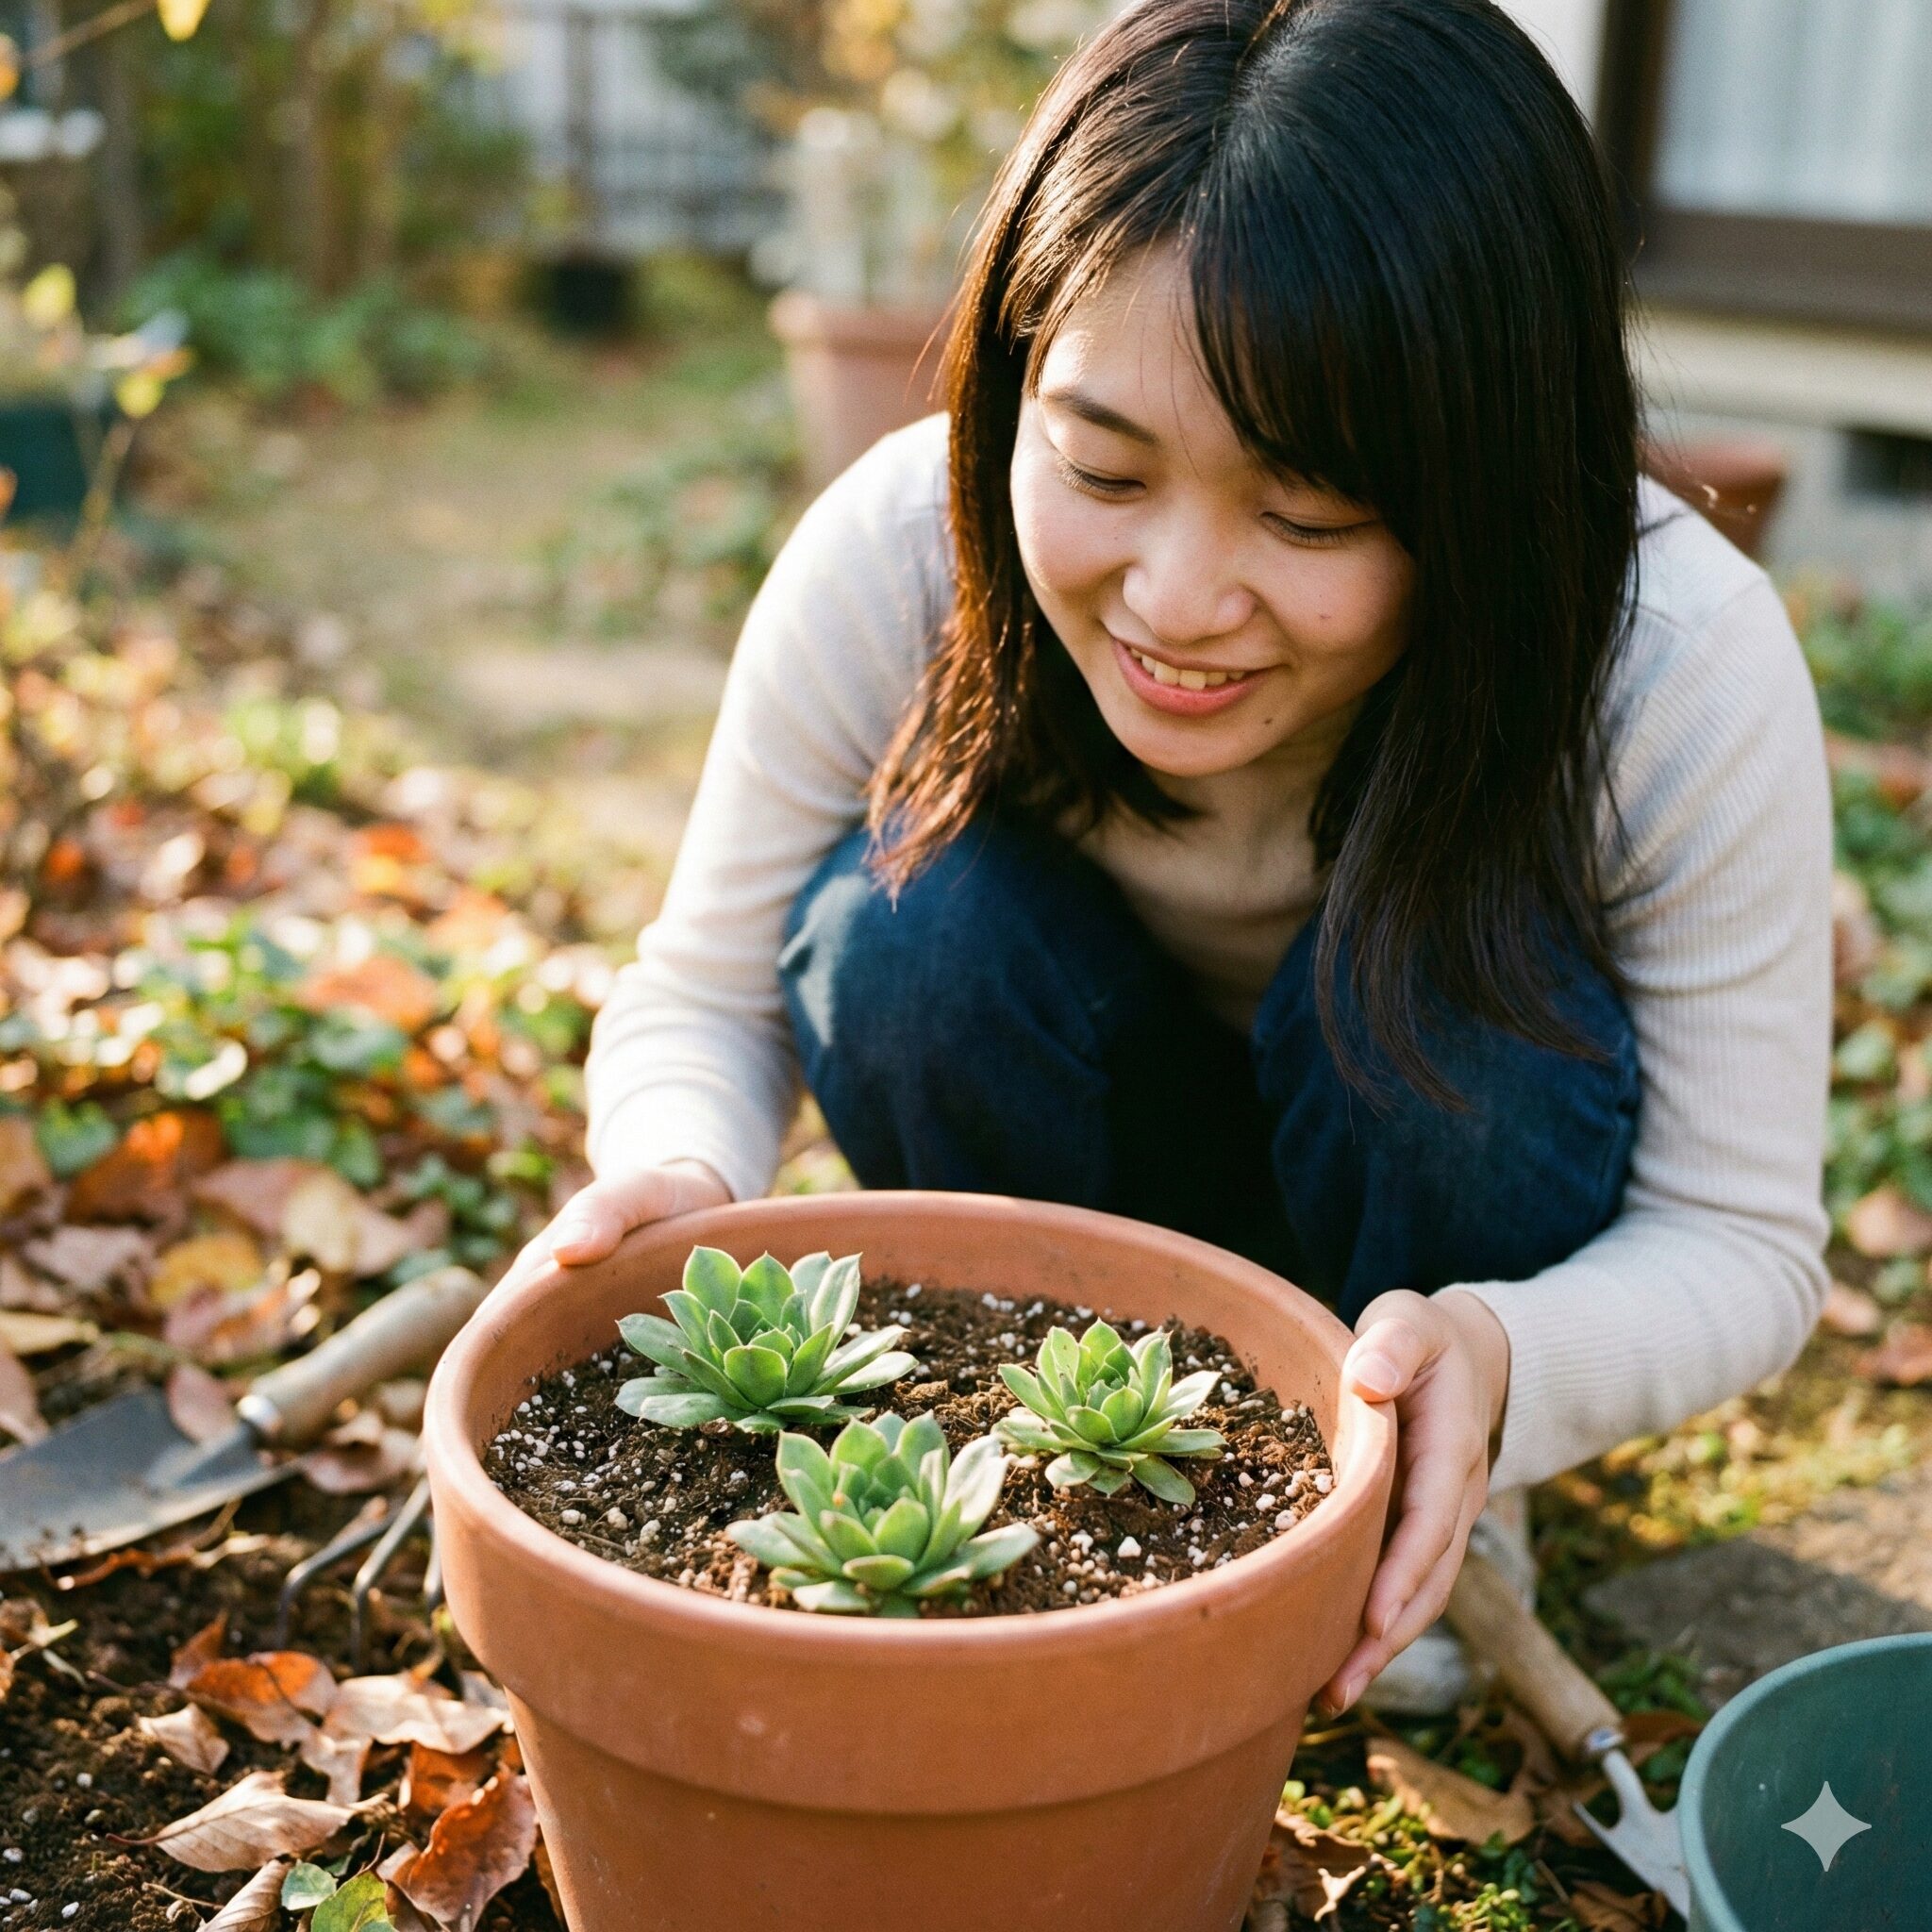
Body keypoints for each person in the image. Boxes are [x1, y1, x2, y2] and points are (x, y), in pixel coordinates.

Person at [496, 0, 1832, 1718]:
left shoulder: (1667, 665)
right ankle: (1033, 1474)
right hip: (1065, 1162)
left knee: (1445, 1022)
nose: (1179, 603)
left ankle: (1422, 1505)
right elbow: (705, 987)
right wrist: (682, 1174)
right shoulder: (906, 550)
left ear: (1490, 487)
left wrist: (1502, 1365)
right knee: (905, 937)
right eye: (1103, 470)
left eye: (1307, 518)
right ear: (1013, 390)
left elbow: (1741, 1240)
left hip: (1420, 1215)